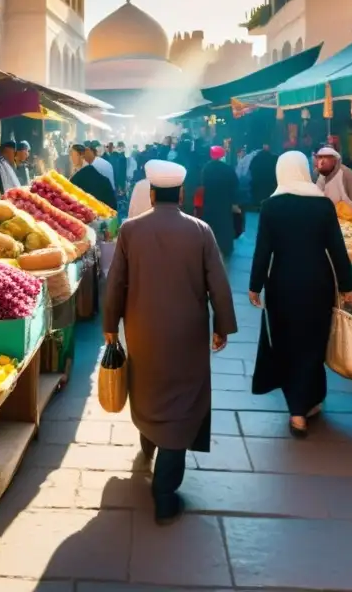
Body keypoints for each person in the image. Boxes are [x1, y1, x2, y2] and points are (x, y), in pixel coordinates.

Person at [104, 160, 237, 525]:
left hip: (142, 329)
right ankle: (164, 494)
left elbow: (116, 281)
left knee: (147, 385)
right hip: (187, 333)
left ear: (150, 194)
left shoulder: (131, 230)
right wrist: (222, 326)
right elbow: (218, 283)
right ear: (180, 193)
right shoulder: (200, 230)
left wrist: (110, 324)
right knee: (182, 398)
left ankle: (148, 442)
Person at [247, 151, 352, 438]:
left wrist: (255, 285)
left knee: (287, 342)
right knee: (313, 342)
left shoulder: (271, 206)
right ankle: (308, 402)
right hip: (317, 283)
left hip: (282, 284)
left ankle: (297, 411)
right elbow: (337, 249)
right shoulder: (322, 206)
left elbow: (263, 251)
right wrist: (347, 287)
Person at [201, 145, 241, 256]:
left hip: (209, 201)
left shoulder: (206, 168)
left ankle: (208, 246)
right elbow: (235, 185)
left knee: (210, 224)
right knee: (225, 225)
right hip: (224, 202)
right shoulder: (228, 169)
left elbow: (203, 184)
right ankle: (226, 247)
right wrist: (235, 202)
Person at [315, 146, 352, 212]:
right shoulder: (322, 175)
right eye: (320, 158)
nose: (321, 162)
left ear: (334, 160)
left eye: (325, 158)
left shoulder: (349, 176)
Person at [70, 144, 116, 208]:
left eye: (72, 155)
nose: (71, 158)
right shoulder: (105, 179)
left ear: (81, 156)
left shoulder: (75, 180)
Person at [248, 142, 278, 207]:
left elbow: (250, 170)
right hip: (271, 189)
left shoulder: (255, 158)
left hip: (257, 189)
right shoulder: (275, 158)